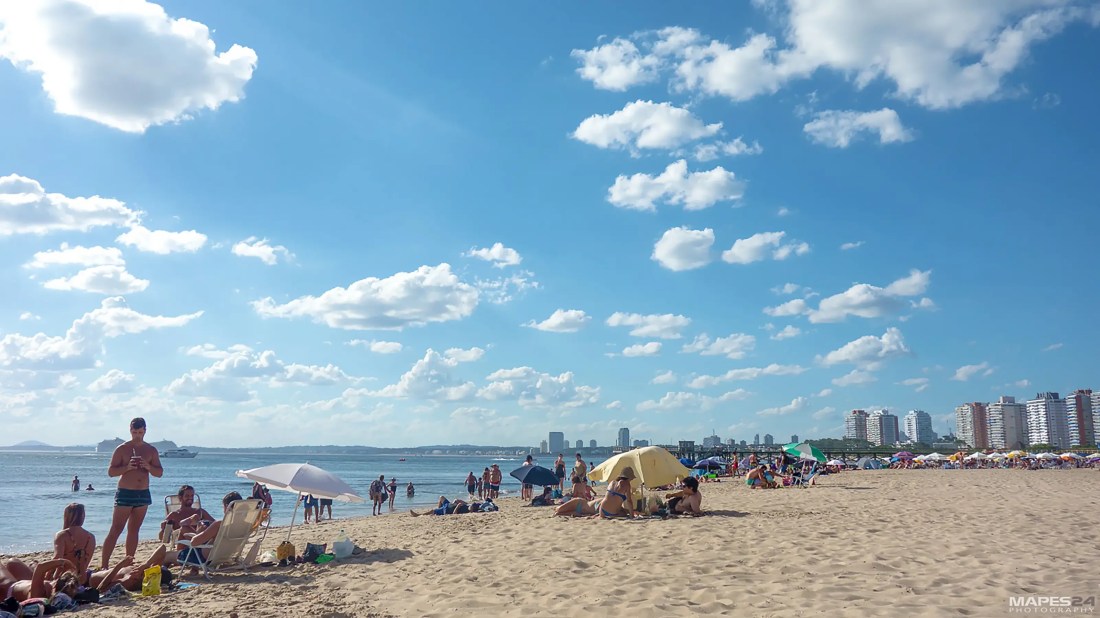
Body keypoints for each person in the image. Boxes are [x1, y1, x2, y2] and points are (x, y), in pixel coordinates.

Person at [101, 417, 163, 569]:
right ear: (130, 431)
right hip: (126, 492)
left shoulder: (151, 450)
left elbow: (159, 472)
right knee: (116, 529)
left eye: (140, 432)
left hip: (143, 493)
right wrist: (127, 467)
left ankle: (129, 561)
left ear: (145, 431)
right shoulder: (122, 449)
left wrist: (147, 466)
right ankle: (104, 565)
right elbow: (111, 472)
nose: (137, 435)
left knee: (134, 529)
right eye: (134, 432)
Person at [173, 491, 243, 569]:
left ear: (227, 507)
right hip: (225, 556)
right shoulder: (245, 525)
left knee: (168, 556)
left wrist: (199, 532)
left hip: (203, 559)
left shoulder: (219, 524)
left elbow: (194, 542)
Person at [53, 503, 94, 586]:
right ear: (82, 516)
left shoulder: (61, 535)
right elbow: (87, 561)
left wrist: (47, 575)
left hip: (64, 580)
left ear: (66, 516)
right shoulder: (91, 537)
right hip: (83, 579)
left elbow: (57, 559)